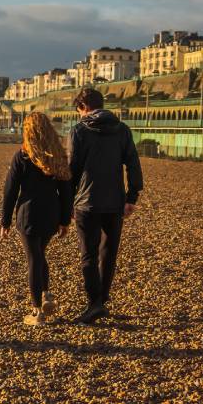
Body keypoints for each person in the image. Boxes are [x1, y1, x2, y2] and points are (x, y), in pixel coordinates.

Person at [68, 87, 145, 325]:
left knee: (88, 255)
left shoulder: (79, 130)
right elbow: (132, 163)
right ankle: (101, 300)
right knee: (108, 253)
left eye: (78, 110)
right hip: (115, 202)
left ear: (83, 107)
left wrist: (67, 202)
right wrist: (132, 197)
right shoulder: (121, 129)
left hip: (87, 202)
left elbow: (73, 169)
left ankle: (94, 304)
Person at [1, 112, 74, 326]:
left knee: (33, 258)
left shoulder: (23, 156)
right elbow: (66, 190)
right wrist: (65, 219)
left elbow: (10, 191)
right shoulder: (57, 156)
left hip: (28, 214)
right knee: (40, 254)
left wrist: (4, 221)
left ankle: (37, 312)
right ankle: (46, 294)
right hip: (51, 213)